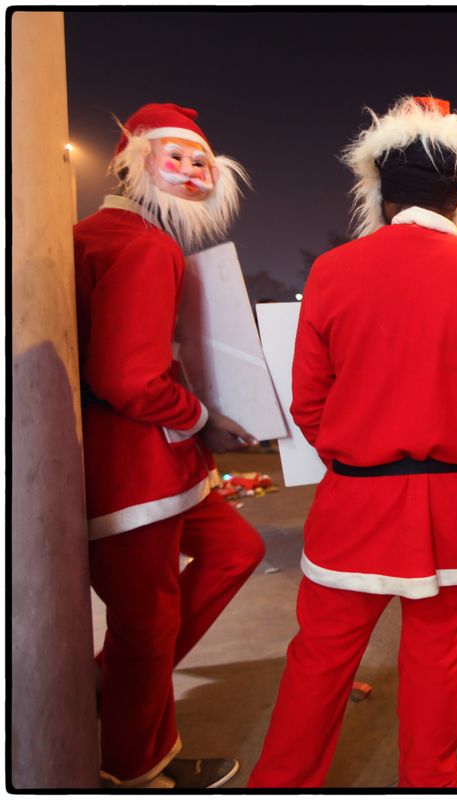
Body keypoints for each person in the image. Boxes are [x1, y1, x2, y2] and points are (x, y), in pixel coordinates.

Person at [248, 96, 457, 788]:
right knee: (438, 657)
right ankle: (429, 778)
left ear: (382, 190)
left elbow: (308, 400)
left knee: (321, 658)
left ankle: (282, 782)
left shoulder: (335, 272)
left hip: (359, 500)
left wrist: (355, 443)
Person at [73, 103, 265, 789]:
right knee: (145, 626)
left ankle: (111, 684)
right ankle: (134, 764)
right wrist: (203, 415)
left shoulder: (97, 234)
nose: (188, 172)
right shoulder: (147, 246)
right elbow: (125, 377)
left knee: (235, 551)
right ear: (136, 161)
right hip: (136, 470)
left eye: (199, 162)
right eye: (176, 157)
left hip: (158, 465)